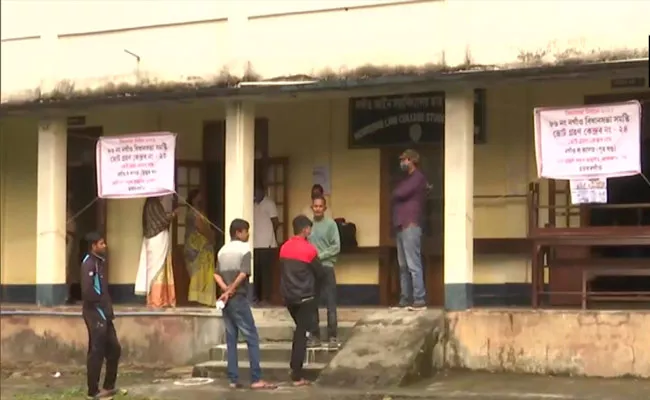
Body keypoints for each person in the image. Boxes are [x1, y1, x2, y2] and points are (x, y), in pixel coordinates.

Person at [214, 219, 276, 390]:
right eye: (246, 231)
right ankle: (256, 378)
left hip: (226, 300)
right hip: (238, 298)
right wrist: (232, 290)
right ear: (238, 232)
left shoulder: (222, 251)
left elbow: (216, 275)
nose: (248, 234)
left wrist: (225, 290)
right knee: (252, 337)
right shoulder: (244, 250)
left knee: (231, 338)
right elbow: (244, 273)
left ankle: (233, 379)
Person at [279, 215, 325, 386]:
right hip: (305, 297)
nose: (310, 232)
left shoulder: (284, 248)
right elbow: (320, 273)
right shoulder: (309, 249)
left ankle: (296, 365)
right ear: (305, 229)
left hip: (289, 297)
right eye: (309, 229)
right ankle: (296, 374)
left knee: (301, 329)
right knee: (301, 334)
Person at [80, 232, 121, 400]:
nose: (105, 246)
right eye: (102, 243)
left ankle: (108, 386)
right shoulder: (88, 264)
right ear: (93, 246)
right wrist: (101, 307)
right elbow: (88, 291)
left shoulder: (99, 262)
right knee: (96, 351)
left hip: (105, 313)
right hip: (95, 313)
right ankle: (93, 391)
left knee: (115, 349)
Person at [392, 149, 428, 311]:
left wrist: (397, 191)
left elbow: (400, 193)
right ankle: (405, 299)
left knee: (413, 264)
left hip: (411, 225)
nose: (402, 163)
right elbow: (396, 192)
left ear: (412, 160)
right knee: (403, 266)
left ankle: (419, 299)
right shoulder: (406, 179)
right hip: (401, 225)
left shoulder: (418, 178)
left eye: (404, 159)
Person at [308, 196, 341, 348]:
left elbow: (336, 247)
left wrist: (319, 256)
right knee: (312, 303)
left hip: (326, 266)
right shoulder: (308, 226)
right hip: (312, 268)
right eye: (315, 206)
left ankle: (332, 337)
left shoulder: (331, 224)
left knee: (330, 303)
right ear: (312, 207)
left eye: (321, 206)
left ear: (325, 208)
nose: (318, 208)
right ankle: (315, 336)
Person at [135, 196, 177, 308]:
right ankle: (157, 299)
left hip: (151, 239)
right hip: (157, 239)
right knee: (157, 269)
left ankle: (156, 299)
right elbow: (162, 220)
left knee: (153, 269)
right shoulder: (153, 203)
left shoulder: (150, 203)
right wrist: (173, 214)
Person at [185, 189, 217, 307]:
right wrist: (211, 237)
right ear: (193, 199)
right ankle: (200, 299)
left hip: (199, 246)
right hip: (198, 247)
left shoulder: (197, 212)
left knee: (203, 272)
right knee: (199, 272)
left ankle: (202, 299)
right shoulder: (194, 212)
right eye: (199, 197)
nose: (201, 199)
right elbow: (200, 227)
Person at [253, 185, 280, 304]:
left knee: (266, 273)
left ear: (262, 191)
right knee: (256, 271)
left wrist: (268, 235)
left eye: (258, 190)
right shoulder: (250, 203)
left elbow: (276, 222)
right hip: (253, 243)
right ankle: (256, 297)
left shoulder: (269, 203)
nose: (256, 192)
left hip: (267, 244)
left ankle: (266, 298)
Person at [65, 192, 80, 304]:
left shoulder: (68, 211)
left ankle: (70, 293)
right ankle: (65, 295)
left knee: (70, 267)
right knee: (65, 267)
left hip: (71, 239)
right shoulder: (61, 211)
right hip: (66, 239)